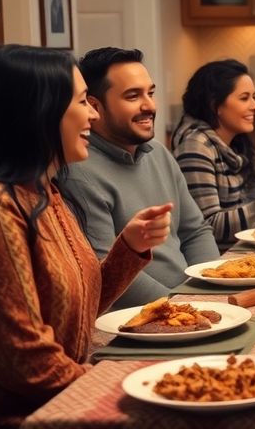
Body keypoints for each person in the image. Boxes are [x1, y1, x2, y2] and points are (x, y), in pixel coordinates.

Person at [0, 45, 171, 426]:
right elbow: (24, 362)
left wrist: (129, 250)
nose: (93, 114)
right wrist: (122, 384)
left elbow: (73, 313)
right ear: (38, 112)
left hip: (47, 405)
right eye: (83, 101)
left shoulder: (42, 191)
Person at [60, 47, 220, 309]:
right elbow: (104, 268)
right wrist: (182, 307)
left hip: (187, 303)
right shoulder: (79, 172)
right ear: (94, 106)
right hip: (139, 318)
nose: (150, 106)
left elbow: (195, 231)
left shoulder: (158, 153)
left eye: (151, 93)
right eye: (133, 96)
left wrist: (210, 291)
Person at [172, 60, 255, 252]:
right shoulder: (196, 148)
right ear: (216, 105)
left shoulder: (231, 146)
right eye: (244, 98)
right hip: (217, 264)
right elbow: (207, 227)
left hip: (237, 253)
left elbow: (233, 215)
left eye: (254, 97)